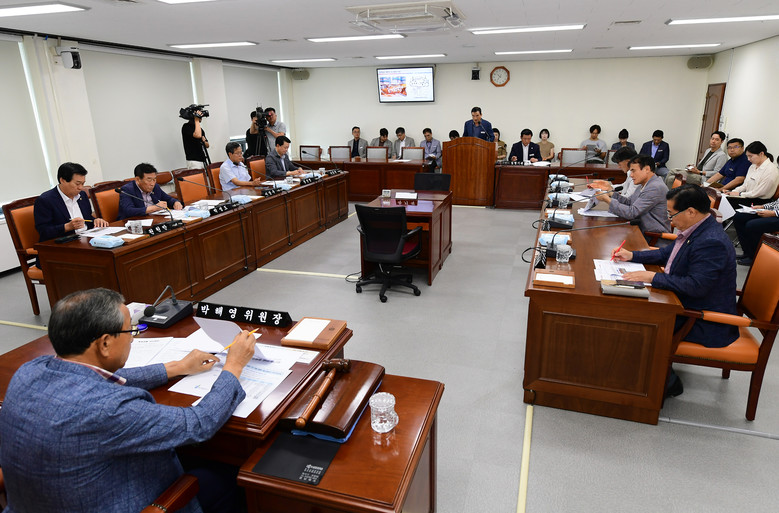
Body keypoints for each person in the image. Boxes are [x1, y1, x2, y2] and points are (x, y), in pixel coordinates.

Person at [0, 288, 258, 513]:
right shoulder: (109, 409)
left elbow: (94, 378)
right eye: (129, 330)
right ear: (104, 344)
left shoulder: (29, 371)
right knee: (228, 477)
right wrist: (234, 366)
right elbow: (198, 423)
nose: (132, 337)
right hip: (121, 501)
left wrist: (175, 367)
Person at [611, 184, 739, 395]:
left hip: (702, 319)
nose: (670, 221)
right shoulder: (698, 227)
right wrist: (632, 256)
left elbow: (696, 286)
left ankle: (664, 384)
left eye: (671, 214)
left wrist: (653, 277)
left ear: (691, 212)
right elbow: (666, 254)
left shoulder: (711, 242)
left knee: (634, 318)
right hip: (684, 302)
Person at [589, 155, 671, 237]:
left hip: (652, 237)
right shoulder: (644, 184)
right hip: (640, 230)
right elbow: (629, 202)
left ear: (647, 169)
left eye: (633, 171)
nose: (631, 175)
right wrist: (610, 191)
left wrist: (607, 200)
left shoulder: (655, 187)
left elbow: (632, 213)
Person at [34, 162, 109, 242]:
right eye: (77, 184)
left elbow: (87, 219)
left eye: (83, 183)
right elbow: (44, 231)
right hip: (64, 243)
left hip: (87, 238)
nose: (81, 187)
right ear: (62, 180)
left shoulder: (82, 195)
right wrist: (67, 227)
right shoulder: (45, 200)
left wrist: (95, 221)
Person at [118, 163, 183, 220]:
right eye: (149, 180)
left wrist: (176, 202)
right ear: (137, 179)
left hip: (154, 219)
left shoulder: (155, 187)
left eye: (154, 179)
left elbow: (168, 199)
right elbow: (129, 211)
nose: (152, 183)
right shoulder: (127, 190)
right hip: (133, 223)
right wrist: (154, 208)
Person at [724, 141, 779, 207]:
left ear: (761, 154)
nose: (748, 159)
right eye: (747, 156)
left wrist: (740, 194)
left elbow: (759, 192)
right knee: (723, 198)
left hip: (760, 201)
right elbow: (745, 185)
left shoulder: (771, 170)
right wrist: (732, 192)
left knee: (728, 203)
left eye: (750, 156)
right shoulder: (753, 166)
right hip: (747, 197)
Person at [733, 197, 779, 266]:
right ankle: (747, 252)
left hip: (776, 214)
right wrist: (762, 206)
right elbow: (777, 203)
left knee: (752, 225)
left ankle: (754, 256)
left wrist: (774, 213)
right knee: (739, 217)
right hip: (773, 212)